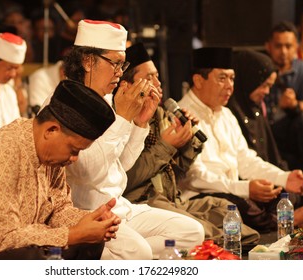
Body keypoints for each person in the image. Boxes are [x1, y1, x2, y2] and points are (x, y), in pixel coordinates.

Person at [56, 20, 204, 260]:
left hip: (120, 207)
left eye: (121, 64)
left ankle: (124, 256)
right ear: (87, 61)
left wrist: (139, 122)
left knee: (192, 232)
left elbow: (121, 165)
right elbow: (88, 173)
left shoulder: (104, 99)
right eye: (114, 63)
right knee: (141, 251)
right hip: (89, 213)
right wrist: (123, 118)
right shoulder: (65, 101)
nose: (119, 72)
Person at [0, 80, 120, 260]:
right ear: (51, 130)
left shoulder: (52, 157)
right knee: (30, 258)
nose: (74, 159)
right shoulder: (0, 153)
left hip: (12, 237)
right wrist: (74, 234)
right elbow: (4, 239)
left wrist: (90, 220)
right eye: (74, 150)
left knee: (90, 243)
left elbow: (58, 209)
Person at [122, 42, 260, 245]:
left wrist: (187, 142)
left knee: (224, 208)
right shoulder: (121, 119)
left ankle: (226, 242)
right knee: (202, 228)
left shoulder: (161, 115)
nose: (157, 83)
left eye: (157, 76)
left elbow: (178, 173)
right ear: (127, 85)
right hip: (145, 201)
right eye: (148, 77)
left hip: (172, 198)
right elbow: (126, 179)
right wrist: (166, 145)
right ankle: (220, 245)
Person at [177, 47, 303, 232]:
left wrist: (284, 177)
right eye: (222, 78)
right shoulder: (181, 116)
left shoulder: (226, 114)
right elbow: (195, 178)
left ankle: (282, 220)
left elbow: (246, 160)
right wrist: (245, 188)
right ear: (198, 81)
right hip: (201, 196)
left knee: (281, 193)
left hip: (234, 190)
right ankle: (289, 221)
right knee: (240, 206)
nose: (230, 86)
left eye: (232, 78)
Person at [227, 49, 303, 227]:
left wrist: (286, 176)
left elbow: (269, 155)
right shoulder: (231, 111)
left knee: (299, 192)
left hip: (264, 176)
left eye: (270, 86)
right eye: (264, 85)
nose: (267, 92)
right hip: (241, 185)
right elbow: (242, 164)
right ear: (250, 80)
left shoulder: (255, 109)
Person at [264, 21, 303, 177]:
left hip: (296, 128)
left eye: (288, 46)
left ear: (296, 47)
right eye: (278, 46)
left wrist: (294, 105)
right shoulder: (261, 68)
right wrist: (279, 107)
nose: (284, 52)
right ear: (269, 46)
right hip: (269, 128)